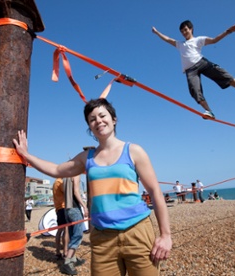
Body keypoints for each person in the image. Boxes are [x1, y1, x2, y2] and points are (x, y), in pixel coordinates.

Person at [13, 98, 172, 275]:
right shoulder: (86, 157)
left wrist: (165, 235)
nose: (98, 121)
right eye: (92, 119)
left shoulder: (133, 151)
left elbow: (155, 192)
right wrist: (26, 155)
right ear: (90, 126)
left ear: (114, 119)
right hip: (103, 237)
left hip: (137, 231)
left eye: (102, 115)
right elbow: (56, 169)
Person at [152, 20, 235, 119]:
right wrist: (157, 33)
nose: (184, 33)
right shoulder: (180, 44)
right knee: (194, 90)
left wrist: (229, 31)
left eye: (186, 30)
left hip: (201, 63)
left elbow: (214, 40)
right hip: (190, 71)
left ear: (191, 29)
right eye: (182, 31)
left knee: (220, 72)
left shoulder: (198, 40)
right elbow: (167, 39)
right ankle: (209, 111)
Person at [61, 175, 88, 275]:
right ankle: (67, 261)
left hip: (67, 208)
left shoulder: (65, 176)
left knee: (72, 234)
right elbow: (76, 191)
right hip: (74, 208)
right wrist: (84, 206)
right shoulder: (76, 175)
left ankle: (72, 258)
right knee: (78, 235)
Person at [52, 178, 69, 261]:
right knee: (66, 230)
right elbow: (67, 192)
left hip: (58, 208)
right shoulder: (60, 182)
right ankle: (65, 252)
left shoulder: (55, 182)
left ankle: (58, 252)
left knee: (60, 230)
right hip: (63, 207)